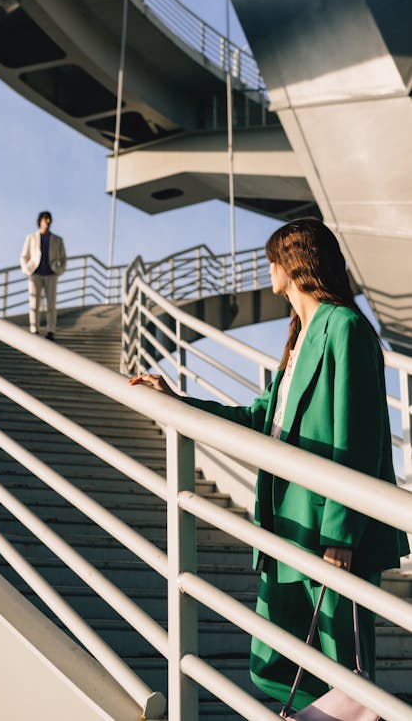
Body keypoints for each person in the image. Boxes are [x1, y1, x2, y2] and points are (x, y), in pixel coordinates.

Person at [129, 218, 409, 711]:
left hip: (328, 530)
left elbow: (359, 438)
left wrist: (341, 535)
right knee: (273, 662)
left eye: (274, 257)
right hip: (283, 526)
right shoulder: (298, 340)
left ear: (297, 260)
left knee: (345, 672)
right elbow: (262, 419)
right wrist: (178, 401)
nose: (268, 268)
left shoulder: (344, 328)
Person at [20, 211, 67, 341]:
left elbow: (63, 258)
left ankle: (51, 331)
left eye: (49, 219)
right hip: (35, 274)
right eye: (45, 219)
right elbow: (24, 256)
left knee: (51, 304)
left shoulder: (58, 240)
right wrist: (26, 269)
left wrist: (60, 270)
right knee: (34, 303)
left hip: (51, 275)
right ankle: (34, 330)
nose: (47, 221)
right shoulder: (31, 238)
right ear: (40, 220)